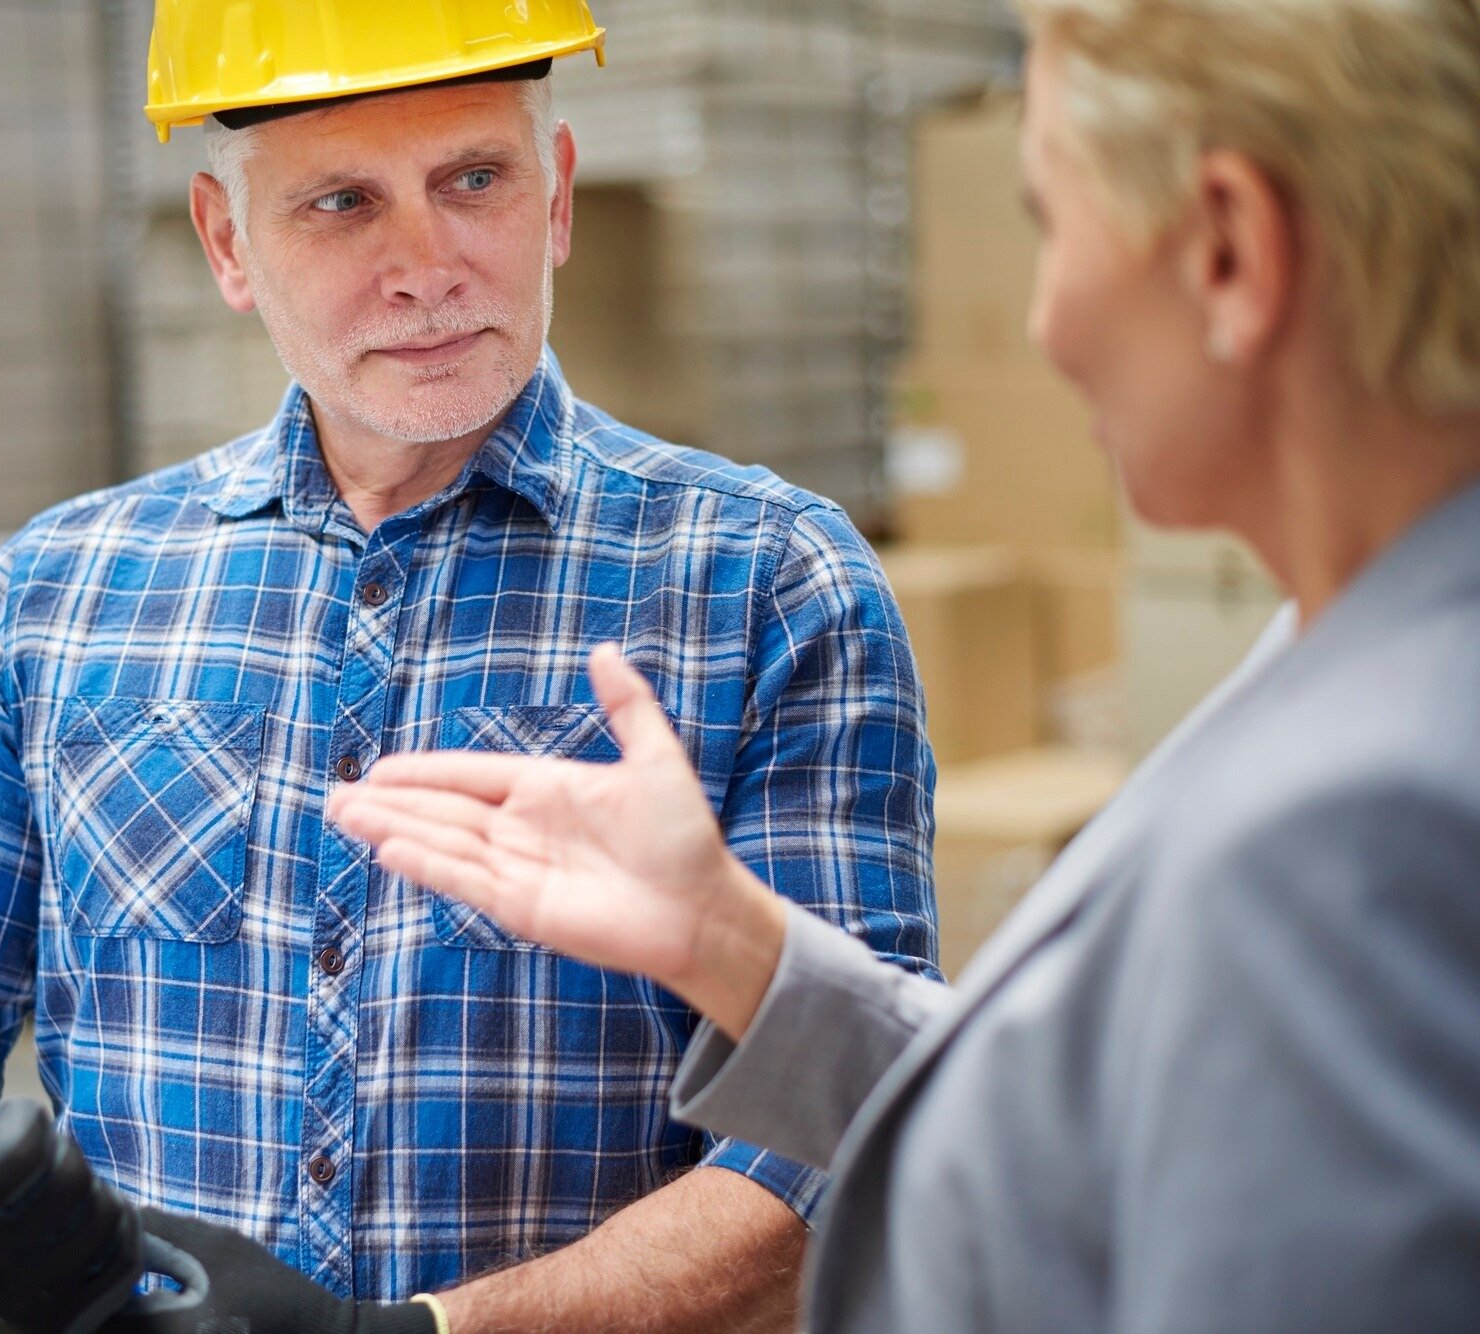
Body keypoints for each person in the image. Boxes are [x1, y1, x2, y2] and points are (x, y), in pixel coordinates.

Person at [0, 2, 940, 1329]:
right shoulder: (51, 604)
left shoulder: (767, 584)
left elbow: (839, 1142)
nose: (424, 266)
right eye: (341, 204)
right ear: (225, 241)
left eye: (474, 180)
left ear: (558, 200)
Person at [327, 0, 1480, 1329]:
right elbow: (1071, 1133)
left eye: (1050, 221)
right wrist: (735, 946)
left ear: (1229, 249)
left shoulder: (1369, 827)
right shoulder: (1352, 660)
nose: (1040, 325)